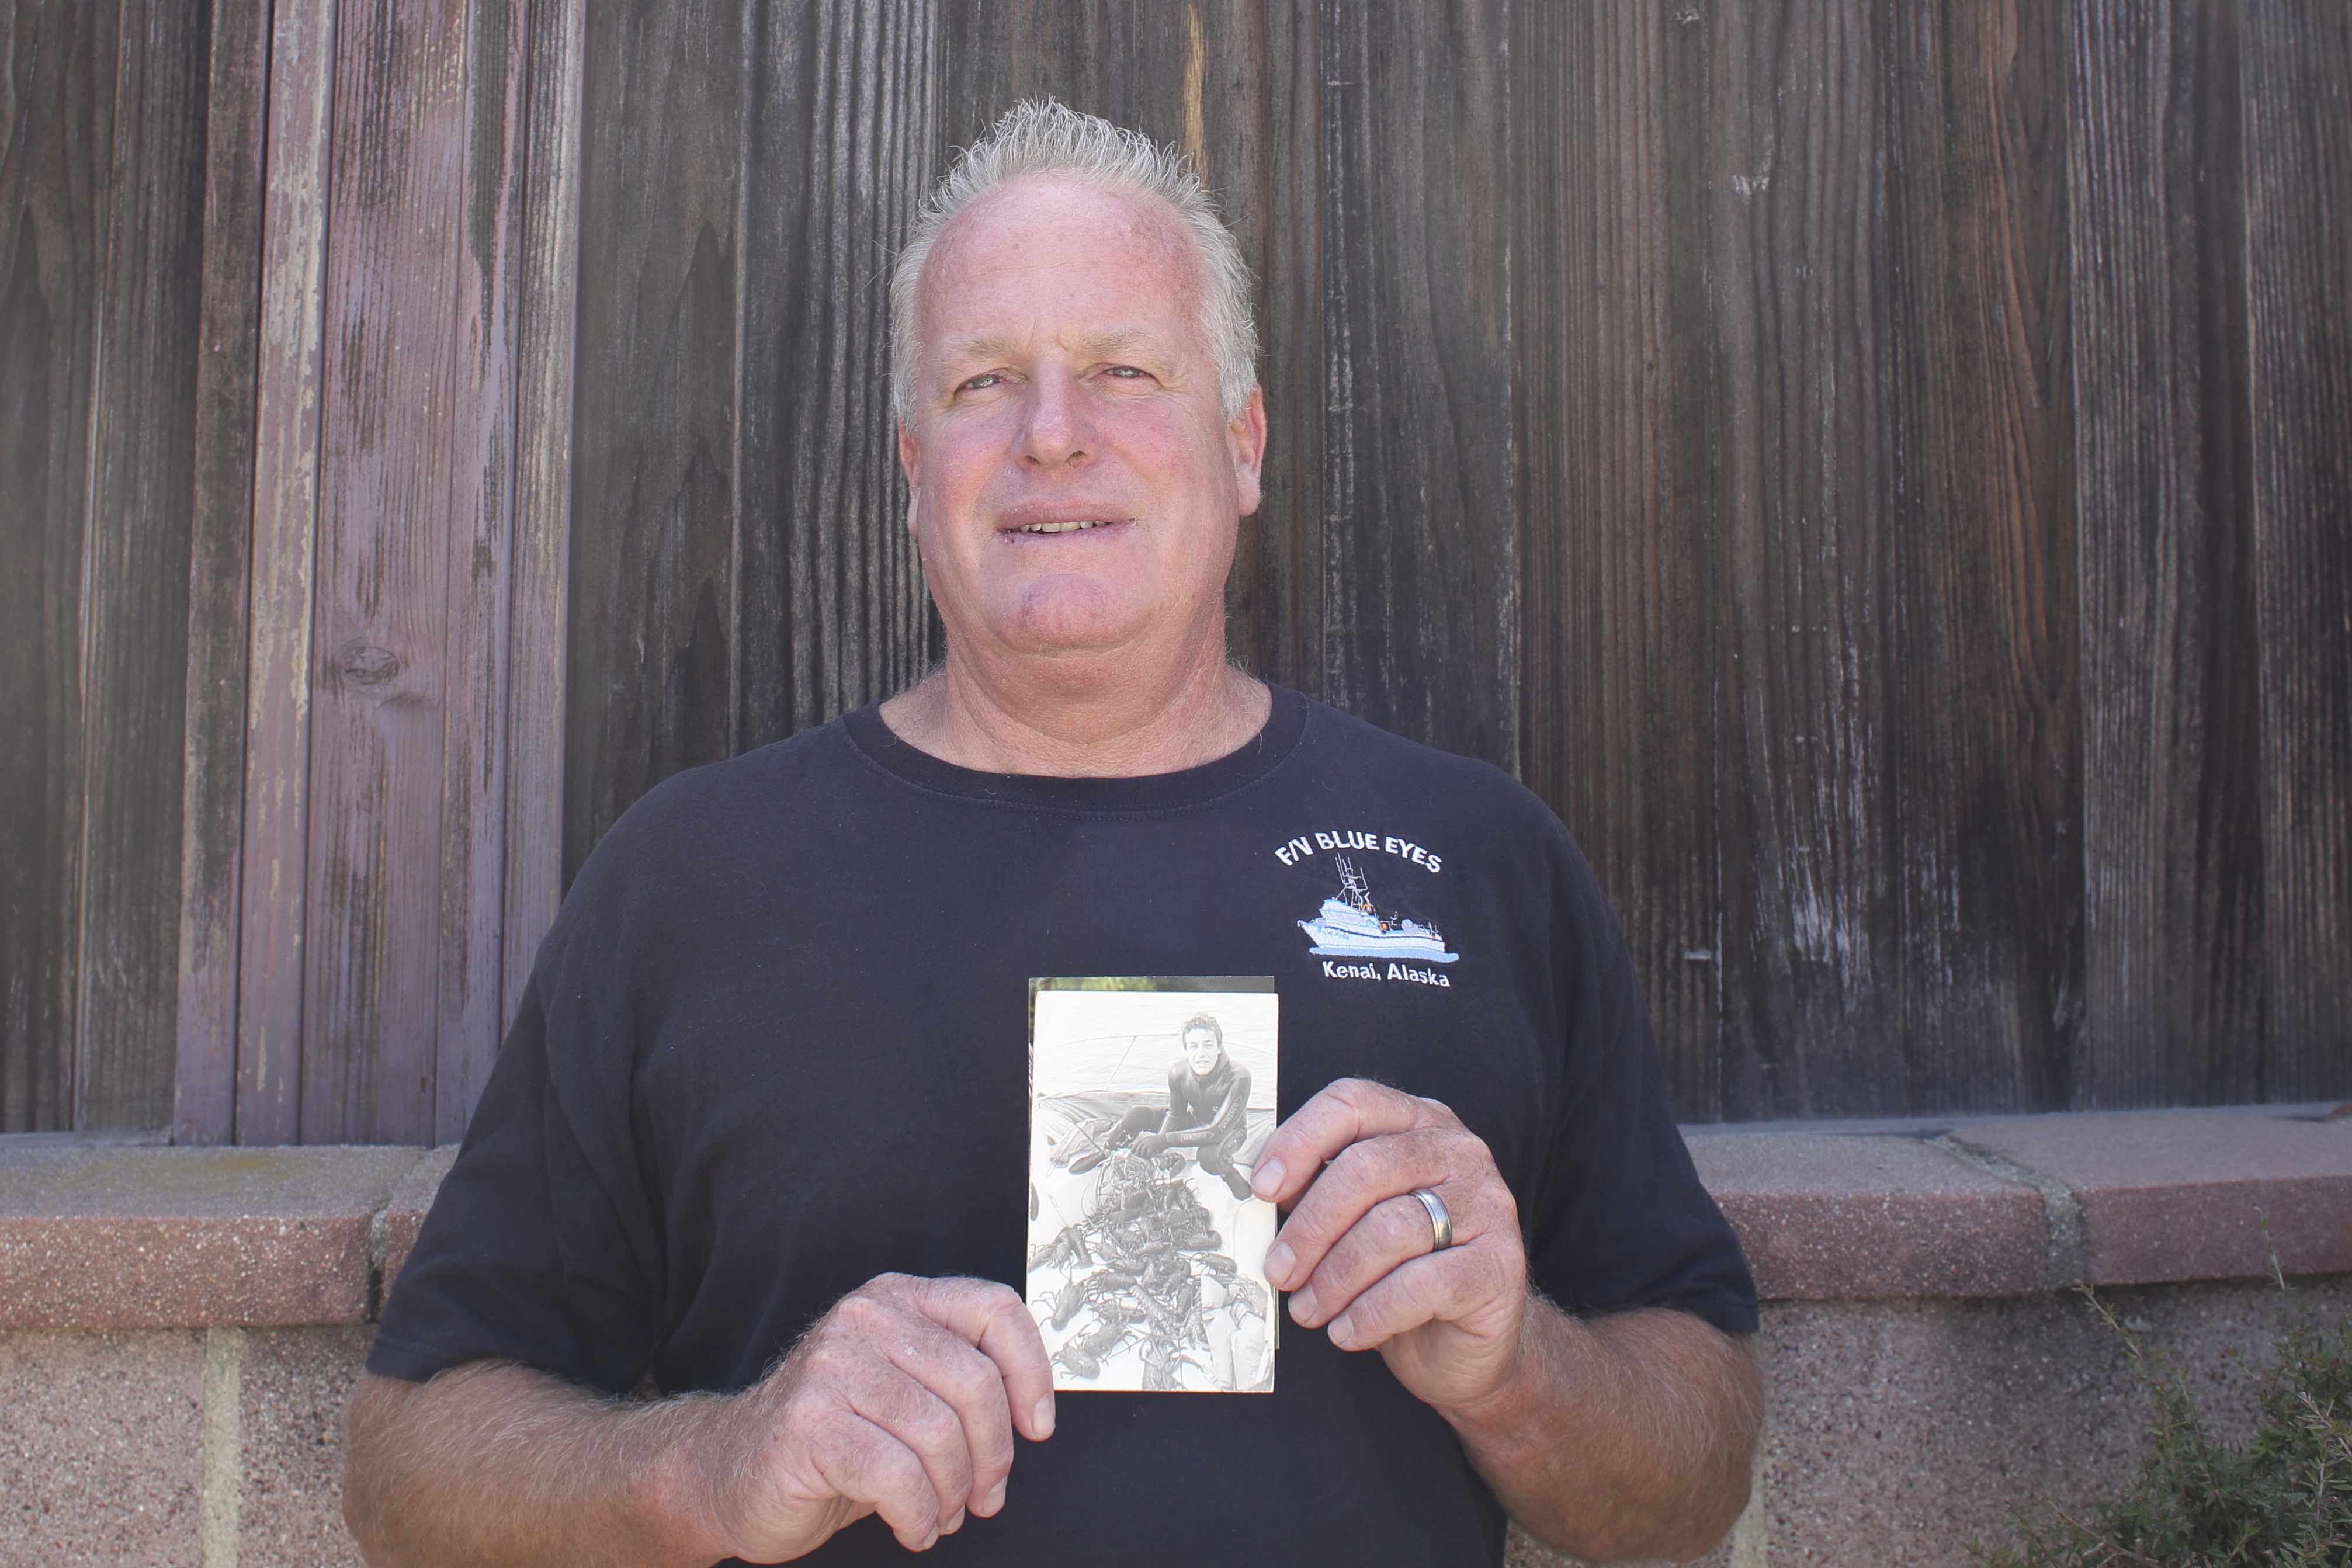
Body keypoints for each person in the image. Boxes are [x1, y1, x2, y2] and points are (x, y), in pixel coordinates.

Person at [344, 100, 1763, 1566]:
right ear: (914, 469)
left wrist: (1516, 1368)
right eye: (983, 383)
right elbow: (407, 1466)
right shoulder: (689, 879)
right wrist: (709, 1464)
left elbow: (1694, 1478)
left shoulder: (1477, 861)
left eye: (1123, 370)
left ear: (1245, 442)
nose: (1054, 436)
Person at [1104, 1012, 1255, 1201]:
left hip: (1229, 1131)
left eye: (1208, 1045)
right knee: (1135, 1115)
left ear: (1219, 1048)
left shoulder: (1239, 1077)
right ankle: (1107, 1150)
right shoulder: (1178, 1072)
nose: (1201, 1053)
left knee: (1209, 1156)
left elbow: (1217, 1131)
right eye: (1194, 1046)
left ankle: (1229, 1173)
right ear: (1187, 1050)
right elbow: (1176, 1115)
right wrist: (1157, 1143)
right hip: (1195, 1120)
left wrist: (1164, 1141)